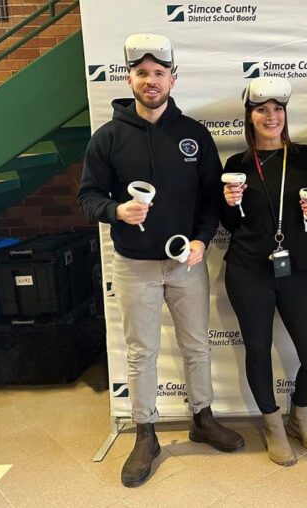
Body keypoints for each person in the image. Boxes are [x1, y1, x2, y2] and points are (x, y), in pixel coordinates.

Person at [78, 34, 244, 488]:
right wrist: (116, 212)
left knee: (197, 345)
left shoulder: (194, 134)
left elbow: (212, 199)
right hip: (135, 264)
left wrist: (202, 241)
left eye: (158, 73)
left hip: (186, 262)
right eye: (141, 73)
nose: (150, 81)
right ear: (129, 77)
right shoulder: (107, 138)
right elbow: (87, 197)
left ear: (173, 78)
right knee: (141, 352)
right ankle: (145, 433)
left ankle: (202, 418)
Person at [220, 76, 307, 466]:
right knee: (257, 349)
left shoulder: (306, 158)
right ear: (249, 117)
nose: (271, 117)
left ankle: (298, 415)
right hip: (247, 269)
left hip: (296, 267)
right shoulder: (236, 165)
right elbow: (228, 224)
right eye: (261, 110)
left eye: (277, 109)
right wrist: (229, 203)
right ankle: (272, 423)